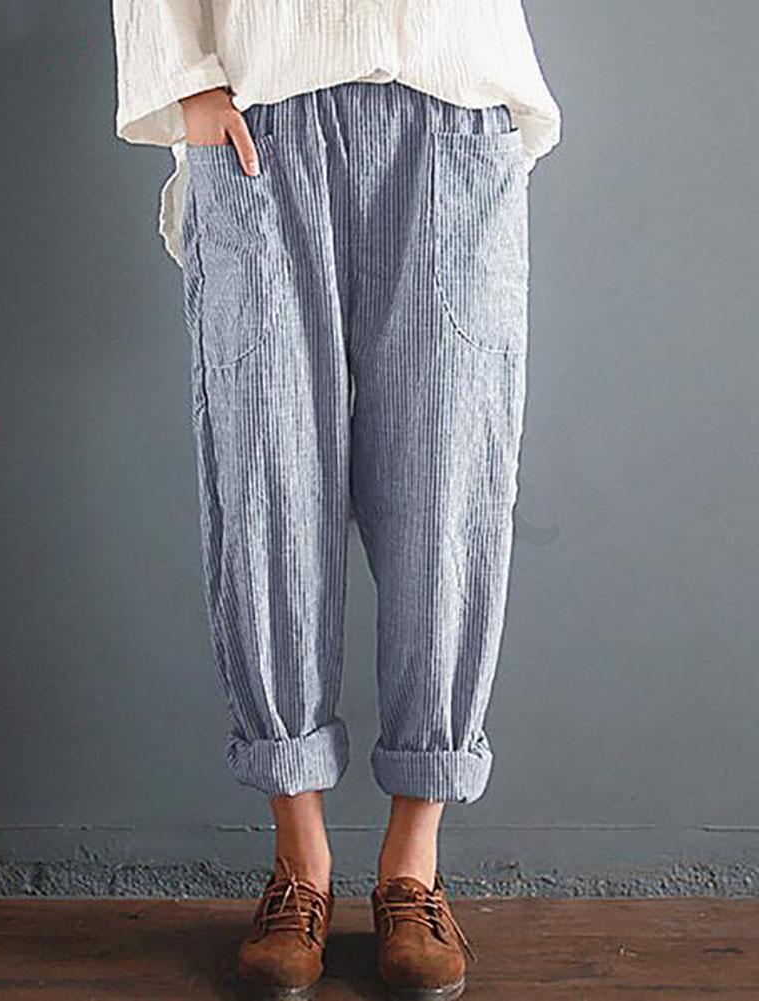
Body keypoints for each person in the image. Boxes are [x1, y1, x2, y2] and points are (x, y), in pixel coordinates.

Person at [111, 2, 561, 996]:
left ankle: (412, 867)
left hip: (451, 105)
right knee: (266, 485)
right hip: (263, 114)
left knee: (449, 493)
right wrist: (186, 84)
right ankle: (299, 863)